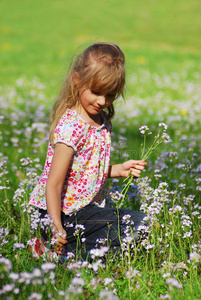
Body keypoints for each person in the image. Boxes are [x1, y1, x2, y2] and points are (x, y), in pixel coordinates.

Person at [29, 42, 147, 261]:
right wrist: (55, 228)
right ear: (77, 80)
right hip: (58, 214)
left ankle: (64, 253)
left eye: (110, 95)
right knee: (136, 223)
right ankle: (55, 248)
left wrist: (117, 169)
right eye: (96, 92)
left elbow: (83, 170)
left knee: (136, 230)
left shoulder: (100, 121)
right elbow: (54, 183)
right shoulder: (72, 128)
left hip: (81, 213)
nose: (103, 101)